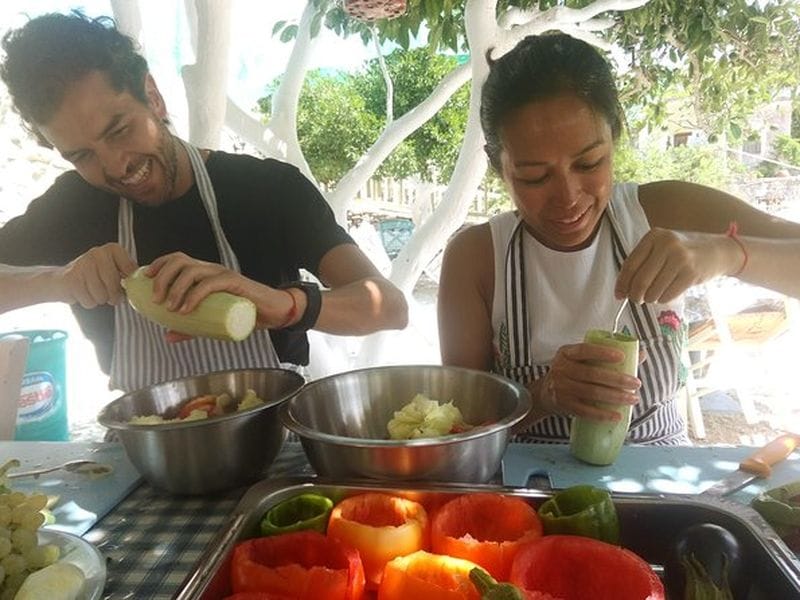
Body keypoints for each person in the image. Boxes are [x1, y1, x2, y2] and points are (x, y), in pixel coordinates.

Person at [0, 12, 408, 393]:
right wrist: (57, 281)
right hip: (147, 437)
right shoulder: (73, 207)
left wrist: (284, 305)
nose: (115, 167)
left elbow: (388, 306)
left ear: (153, 96)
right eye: (81, 155)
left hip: (273, 431)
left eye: (119, 130)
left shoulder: (266, 189)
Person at [438, 32, 800, 445]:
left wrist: (727, 253)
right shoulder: (477, 258)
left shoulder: (665, 211)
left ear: (615, 135)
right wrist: (542, 396)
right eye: (534, 177)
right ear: (497, 165)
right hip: (527, 482)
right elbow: (457, 430)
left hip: (663, 474)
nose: (568, 198)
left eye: (589, 163)